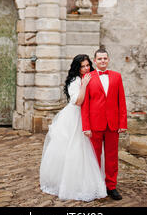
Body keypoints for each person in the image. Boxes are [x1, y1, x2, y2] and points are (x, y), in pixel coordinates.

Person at [40, 54, 107, 202]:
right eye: (82, 66)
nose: (86, 68)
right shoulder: (75, 81)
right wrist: (83, 85)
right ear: (77, 68)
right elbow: (77, 101)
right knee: (74, 148)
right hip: (74, 117)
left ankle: (88, 180)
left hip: (87, 115)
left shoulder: (90, 76)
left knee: (87, 150)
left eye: (87, 65)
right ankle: (70, 183)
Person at [81, 47, 127, 200]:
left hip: (113, 125)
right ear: (95, 61)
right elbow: (85, 105)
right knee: (94, 157)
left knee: (112, 157)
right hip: (94, 125)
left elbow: (122, 102)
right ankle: (94, 185)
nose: (102, 61)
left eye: (105, 58)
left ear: (108, 60)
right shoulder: (88, 77)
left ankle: (111, 186)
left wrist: (123, 123)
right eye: (99, 59)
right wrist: (86, 127)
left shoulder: (117, 77)